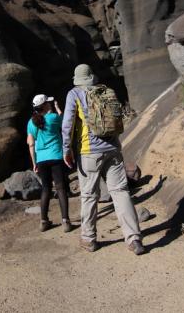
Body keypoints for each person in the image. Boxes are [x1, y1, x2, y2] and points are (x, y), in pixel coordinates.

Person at [61, 64, 145, 255]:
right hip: (113, 149)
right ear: (92, 76)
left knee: (90, 195)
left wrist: (67, 149)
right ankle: (134, 239)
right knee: (121, 192)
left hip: (89, 151)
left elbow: (67, 124)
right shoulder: (106, 91)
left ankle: (89, 239)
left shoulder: (74, 94)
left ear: (77, 78)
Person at [27, 93, 73, 233]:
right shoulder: (53, 118)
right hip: (56, 156)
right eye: (48, 102)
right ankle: (65, 221)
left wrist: (34, 162)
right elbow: (65, 122)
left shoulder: (31, 122)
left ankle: (44, 221)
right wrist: (58, 109)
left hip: (41, 159)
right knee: (60, 188)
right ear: (45, 105)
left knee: (46, 189)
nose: (50, 104)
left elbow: (31, 144)